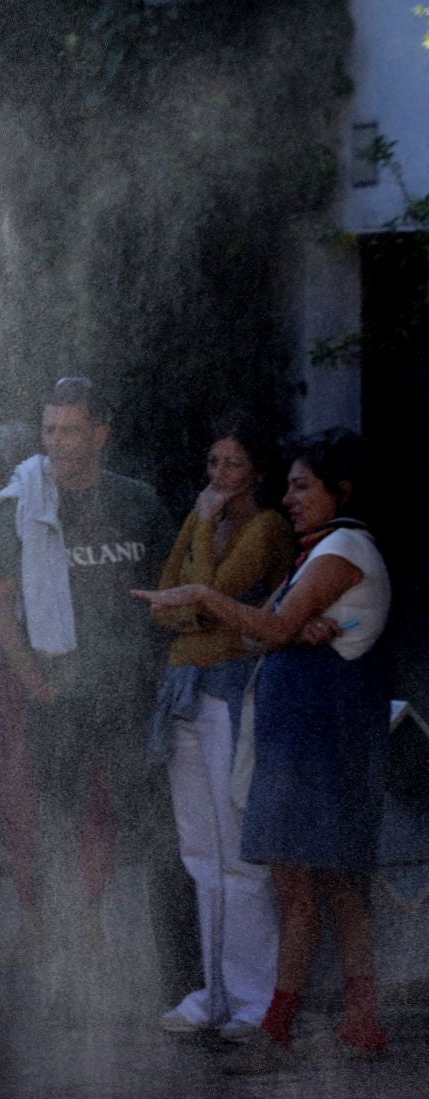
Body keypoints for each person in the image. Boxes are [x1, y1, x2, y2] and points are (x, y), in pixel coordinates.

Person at [136, 428, 392, 1060]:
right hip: (294, 736)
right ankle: (275, 1011)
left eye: (303, 486)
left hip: (324, 740)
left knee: (317, 882)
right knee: (300, 879)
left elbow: (258, 623)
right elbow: (256, 632)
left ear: (342, 490)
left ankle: (284, 1014)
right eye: (291, 484)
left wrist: (207, 598)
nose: (291, 497)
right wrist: (279, 627)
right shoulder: (315, 551)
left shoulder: (341, 545)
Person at [0, 377, 174, 961]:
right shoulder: (23, 503)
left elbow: (171, 589)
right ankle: (50, 928)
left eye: (70, 429)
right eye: (49, 429)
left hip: (131, 689)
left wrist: (159, 672)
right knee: (55, 816)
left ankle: (110, 933)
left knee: (122, 816)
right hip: (58, 692)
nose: (57, 442)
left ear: (101, 435)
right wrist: (37, 685)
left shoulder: (137, 502)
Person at [148, 426, 294, 1041]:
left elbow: (215, 593)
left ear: (257, 474)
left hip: (231, 690)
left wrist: (202, 544)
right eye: (213, 460)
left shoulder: (265, 529)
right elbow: (166, 600)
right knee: (199, 852)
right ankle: (214, 993)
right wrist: (193, 604)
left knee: (238, 854)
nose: (219, 474)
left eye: (234, 463)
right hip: (184, 689)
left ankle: (254, 998)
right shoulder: (198, 511)